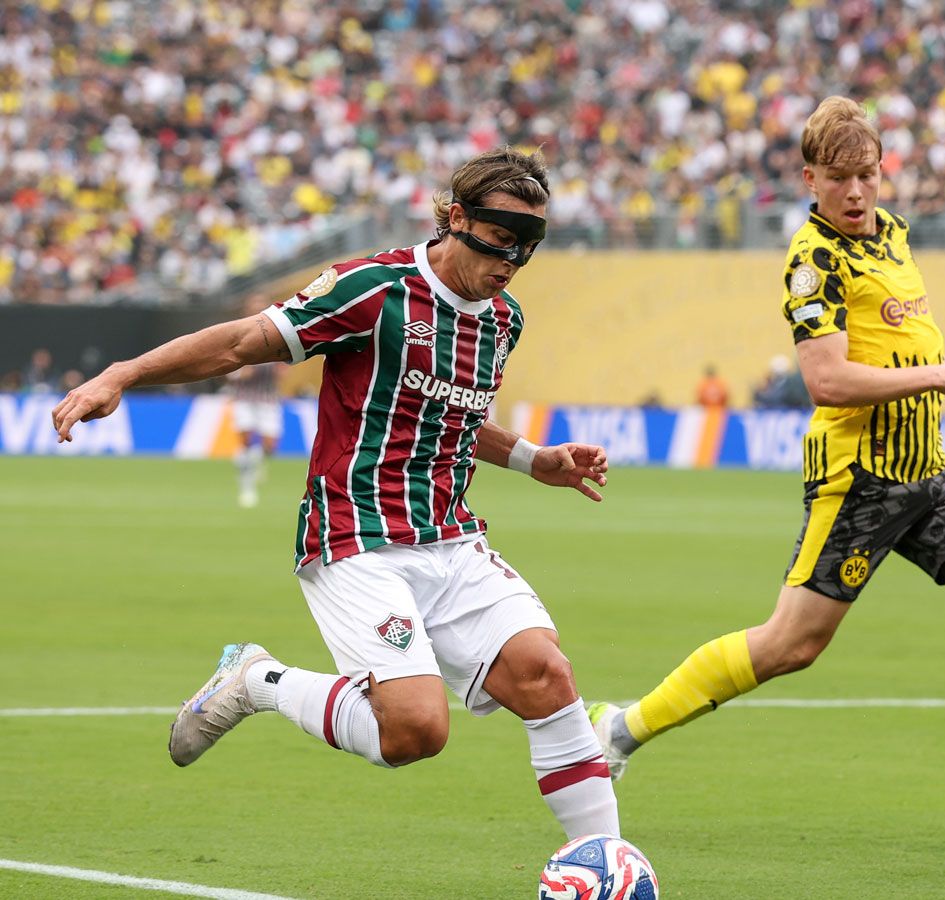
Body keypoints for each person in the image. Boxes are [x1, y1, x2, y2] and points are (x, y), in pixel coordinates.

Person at [52, 147, 623, 843]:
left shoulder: (502, 319)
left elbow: (455, 416)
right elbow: (241, 344)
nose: (512, 261)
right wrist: (124, 372)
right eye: (502, 240)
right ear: (455, 217)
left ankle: (604, 863)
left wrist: (537, 460)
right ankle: (260, 682)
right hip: (358, 536)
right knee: (416, 730)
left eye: (528, 247)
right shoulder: (373, 289)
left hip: (451, 537)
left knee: (547, 676)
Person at [588, 96, 945, 844]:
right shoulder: (813, 261)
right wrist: (936, 375)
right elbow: (828, 381)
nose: (858, 193)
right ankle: (619, 730)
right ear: (811, 178)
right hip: (860, 479)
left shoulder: (893, 234)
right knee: (791, 645)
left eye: (867, 174)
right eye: (839, 179)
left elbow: (894, 336)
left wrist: (932, 376)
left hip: (925, 471)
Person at [227, 357, 287, 508]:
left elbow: (283, 370)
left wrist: (280, 372)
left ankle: (254, 463)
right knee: (245, 440)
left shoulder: (274, 346)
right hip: (244, 399)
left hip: (268, 400)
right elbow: (230, 374)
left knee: (270, 445)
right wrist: (241, 373)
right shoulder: (244, 347)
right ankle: (247, 486)